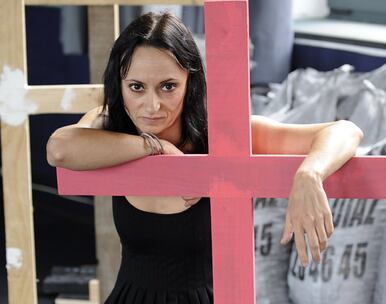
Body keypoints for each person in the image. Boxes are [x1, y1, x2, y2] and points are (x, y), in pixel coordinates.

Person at [46, 12, 364, 303]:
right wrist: (150, 147)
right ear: (121, 84)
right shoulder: (112, 126)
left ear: (190, 83)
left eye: (168, 86)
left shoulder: (225, 138)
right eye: (137, 87)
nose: (151, 105)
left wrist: (309, 174)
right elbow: (59, 148)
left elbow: (345, 131)